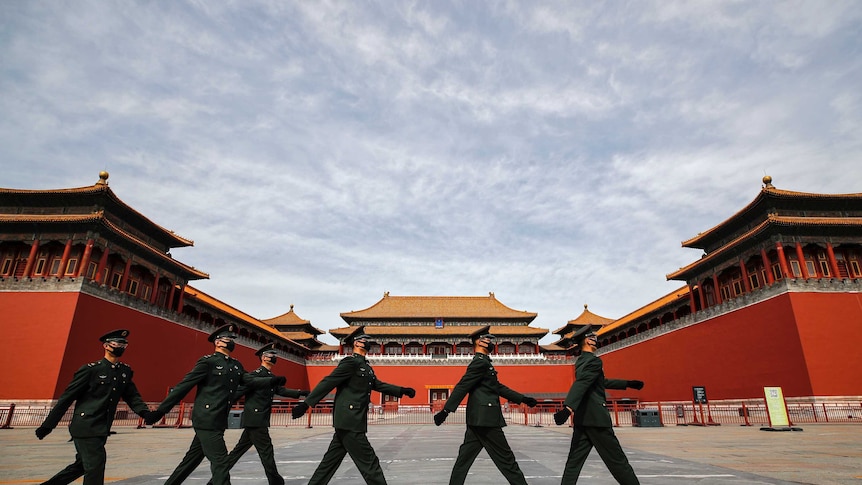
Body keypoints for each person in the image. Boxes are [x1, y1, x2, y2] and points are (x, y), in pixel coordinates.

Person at [145, 323, 280, 485]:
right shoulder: (207, 363)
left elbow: (250, 380)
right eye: (228, 339)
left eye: (232, 339)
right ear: (218, 342)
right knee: (221, 464)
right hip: (206, 419)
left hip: (219, 420)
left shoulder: (235, 365)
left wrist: (271, 381)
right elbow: (183, 386)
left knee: (190, 462)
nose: (232, 342)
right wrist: (160, 411)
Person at [291, 326, 416, 485]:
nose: (369, 342)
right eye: (365, 340)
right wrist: (306, 404)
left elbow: (377, 384)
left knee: (329, 464)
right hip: (351, 420)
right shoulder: (350, 363)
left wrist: (401, 390)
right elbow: (329, 382)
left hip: (349, 421)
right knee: (370, 463)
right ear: (357, 343)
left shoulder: (365, 366)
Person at [35, 329, 154, 485]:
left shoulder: (124, 372)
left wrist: (145, 413)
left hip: (102, 427)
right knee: (96, 465)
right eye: (117, 343)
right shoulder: (91, 370)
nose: (121, 347)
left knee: (82, 466)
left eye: (124, 344)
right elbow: (66, 398)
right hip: (86, 426)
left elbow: (132, 396)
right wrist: (48, 425)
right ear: (106, 346)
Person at [433, 326, 539, 485]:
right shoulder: (479, 363)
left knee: (464, 460)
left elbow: (497, 387)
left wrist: (522, 398)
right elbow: (463, 386)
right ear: (480, 342)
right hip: (487, 420)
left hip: (478, 421)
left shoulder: (484, 363)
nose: (491, 342)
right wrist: (446, 411)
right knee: (507, 460)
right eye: (488, 339)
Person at [207, 342, 309, 485]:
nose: (274, 357)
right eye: (271, 355)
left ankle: (215, 480)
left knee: (237, 453)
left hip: (255, 421)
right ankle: (276, 481)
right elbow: (237, 393)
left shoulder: (270, 376)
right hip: (256, 420)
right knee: (266, 452)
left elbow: (281, 391)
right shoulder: (254, 376)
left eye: (275, 355)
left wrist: (301, 393)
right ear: (264, 358)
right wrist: (219, 406)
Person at [553, 325, 644, 484]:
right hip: (597, 420)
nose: (596, 339)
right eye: (593, 337)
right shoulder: (594, 361)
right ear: (587, 340)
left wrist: (627, 383)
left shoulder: (581, 361)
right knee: (617, 461)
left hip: (583, 419)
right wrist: (567, 408)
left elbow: (599, 381)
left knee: (573, 462)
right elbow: (583, 382)